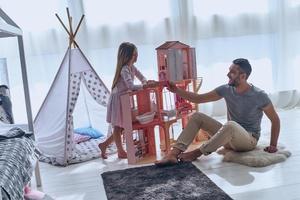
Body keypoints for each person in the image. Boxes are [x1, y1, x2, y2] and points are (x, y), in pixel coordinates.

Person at [155, 58, 280, 166]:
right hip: (228, 138)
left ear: (243, 76)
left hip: (248, 141)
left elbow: (275, 120)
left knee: (230, 125)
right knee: (197, 116)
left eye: (232, 72)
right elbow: (198, 98)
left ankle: (197, 153)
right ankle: (173, 154)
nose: (228, 74)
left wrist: (273, 145)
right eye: (229, 70)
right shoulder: (226, 89)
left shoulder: (259, 95)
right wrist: (176, 90)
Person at [98, 42, 158, 159]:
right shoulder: (124, 69)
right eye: (134, 54)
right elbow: (130, 86)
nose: (137, 56)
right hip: (118, 100)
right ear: (128, 56)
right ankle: (120, 151)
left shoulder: (132, 67)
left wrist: (145, 82)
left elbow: (142, 77)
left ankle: (104, 145)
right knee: (118, 126)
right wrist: (144, 86)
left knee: (123, 126)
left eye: (137, 54)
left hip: (125, 99)